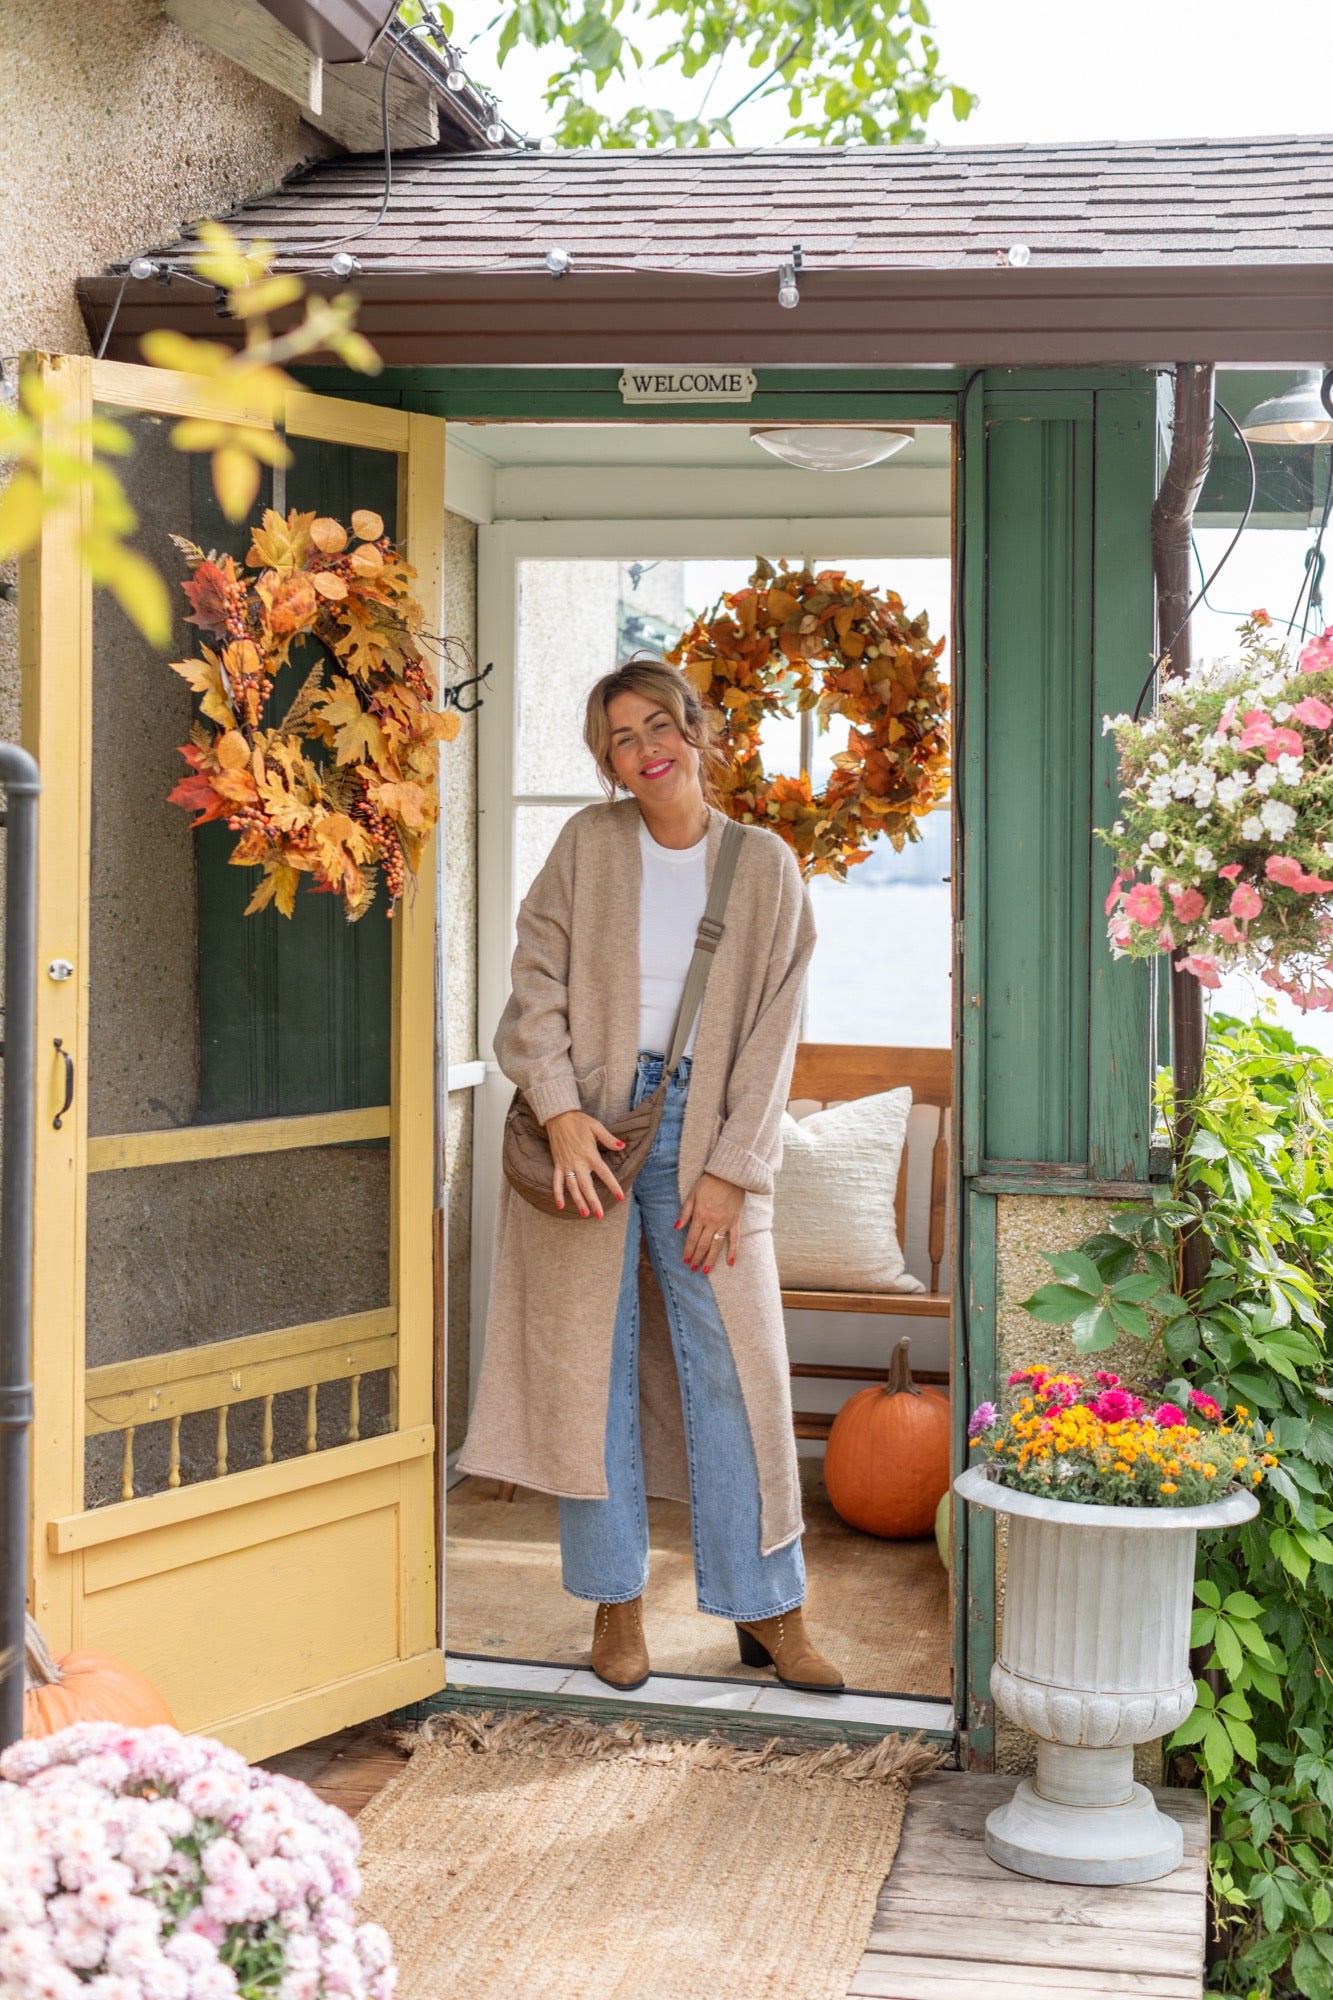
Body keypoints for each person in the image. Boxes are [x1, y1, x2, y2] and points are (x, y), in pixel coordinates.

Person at [458, 657, 842, 1694]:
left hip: (704, 1131)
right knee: (594, 1365)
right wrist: (561, 1108)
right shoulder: (586, 845)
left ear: (692, 729)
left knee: (738, 1367)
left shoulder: (763, 865)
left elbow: (774, 1034)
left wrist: (732, 1169)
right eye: (618, 738)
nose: (642, 748)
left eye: (654, 725)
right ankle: (613, 1600)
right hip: (587, 1130)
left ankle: (771, 1611)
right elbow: (531, 980)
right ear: (608, 761)